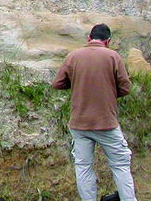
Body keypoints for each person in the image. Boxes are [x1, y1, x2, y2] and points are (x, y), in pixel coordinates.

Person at [52, 23, 136, 201]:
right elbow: (126, 88)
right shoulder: (113, 56)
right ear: (108, 41)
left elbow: (57, 84)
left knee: (83, 166)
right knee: (121, 164)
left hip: (79, 123)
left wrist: (77, 85)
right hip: (106, 123)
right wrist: (110, 93)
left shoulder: (73, 56)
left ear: (89, 38)